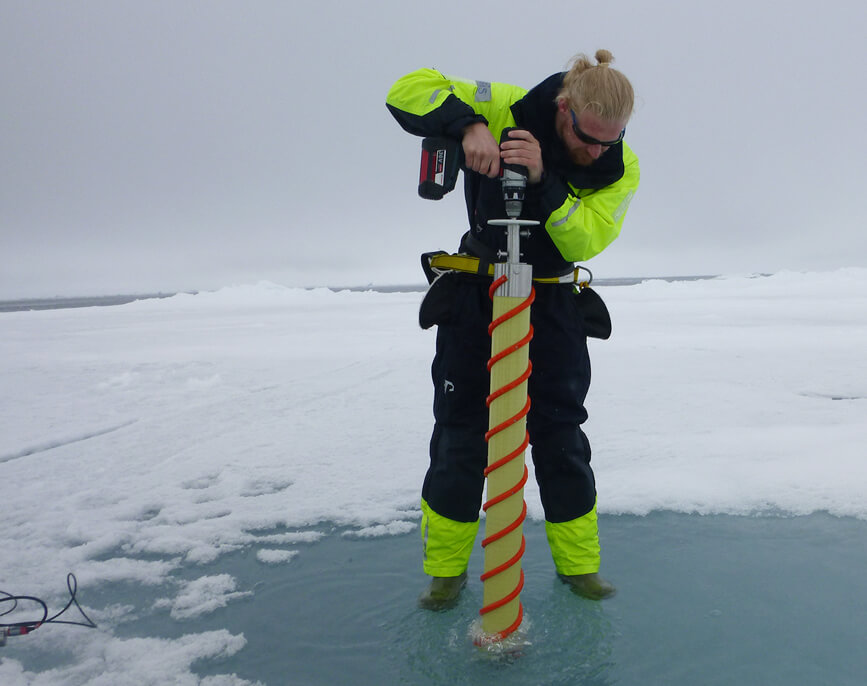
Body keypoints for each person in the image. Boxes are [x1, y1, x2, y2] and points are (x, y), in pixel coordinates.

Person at [386, 50, 640, 609]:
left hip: (552, 304)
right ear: (564, 108)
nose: (598, 151)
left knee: (561, 438)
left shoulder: (622, 165)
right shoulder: (502, 105)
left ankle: (579, 569)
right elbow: (408, 86)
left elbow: (585, 240)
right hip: (477, 298)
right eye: (588, 137)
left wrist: (546, 180)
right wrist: (468, 124)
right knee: (460, 438)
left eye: (610, 139)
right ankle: (446, 575)